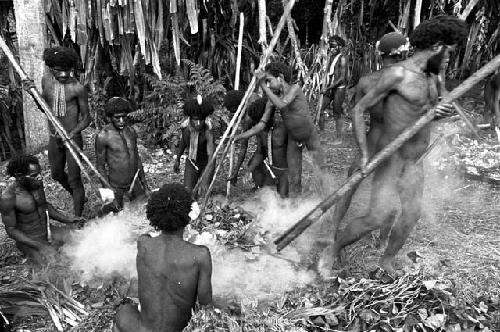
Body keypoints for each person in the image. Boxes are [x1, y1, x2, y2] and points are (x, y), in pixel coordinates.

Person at [323, 16, 467, 273]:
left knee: (411, 215)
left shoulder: (434, 76)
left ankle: (386, 259)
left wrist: (440, 109)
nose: (448, 60)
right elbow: (358, 109)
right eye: (448, 54)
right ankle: (332, 250)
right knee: (376, 218)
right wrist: (365, 154)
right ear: (436, 46)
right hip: (393, 158)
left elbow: (435, 104)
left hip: (415, 161)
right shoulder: (397, 75)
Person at [321, 32, 409, 246]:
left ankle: (332, 231)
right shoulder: (409, 80)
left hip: (372, 140)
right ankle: (382, 239)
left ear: (380, 55)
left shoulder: (367, 81)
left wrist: (363, 152)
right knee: (388, 188)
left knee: (351, 184)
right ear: (403, 54)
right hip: (396, 143)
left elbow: (356, 114)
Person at [113, 183, 213, 332]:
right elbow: (205, 302)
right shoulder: (200, 255)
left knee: (124, 311)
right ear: (187, 217)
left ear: (155, 215)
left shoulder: (143, 243)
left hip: (144, 329)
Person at [0, 154, 85, 266]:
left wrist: (68, 219)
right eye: (34, 175)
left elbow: (44, 206)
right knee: (53, 267)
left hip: (49, 231)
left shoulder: (36, 184)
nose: (40, 177)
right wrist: (40, 246)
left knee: (82, 241)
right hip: (31, 241)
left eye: (39, 173)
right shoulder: (8, 197)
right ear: (19, 176)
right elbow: (11, 229)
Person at [255, 62, 324, 195]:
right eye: (267, 82)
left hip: (310, 134)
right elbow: (266, 116)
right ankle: (295, 208)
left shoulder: (295, 88)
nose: (268, 85)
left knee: (321, 169)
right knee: (294, 176)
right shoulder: (276, 96)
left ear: (280, 77)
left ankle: (327, 199)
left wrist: (263, 84)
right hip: (294, 137)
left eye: (269, 81)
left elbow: (281, 105)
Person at [42, 47, 91, 217]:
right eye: (58, 71)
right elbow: (44, 109)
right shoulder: (46, 82)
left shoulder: (77, 88)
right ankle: (78, 196)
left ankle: (77, 218)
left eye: (67, 71)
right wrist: (31, 93)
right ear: (50, 69)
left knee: (74, 179)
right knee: (56, 174)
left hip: (72, 138)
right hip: (54, 138)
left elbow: (86, 118)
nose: (63, 75)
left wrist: (71, 134)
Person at [95, 97, 150, 214]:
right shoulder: (103, 136)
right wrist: (109, 191)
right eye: (117, 117)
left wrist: (145, 185)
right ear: (109, 117)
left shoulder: (131, 132)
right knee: (113, 217)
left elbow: (137, 159)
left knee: (142, 214)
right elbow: (100, 167)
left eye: (124, 117)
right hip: (116, 186)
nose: (121, 121)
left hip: (134, 183)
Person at [235, 98, 289, 197]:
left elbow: (296, 155)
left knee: (284, 203)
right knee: (266, 200)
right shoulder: (261, 131)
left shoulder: (285, 128)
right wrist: (249, 170)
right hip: (272, 171)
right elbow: (260, 152)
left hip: (286, 173)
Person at [173, 96, 215, 195]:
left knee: (203, 193)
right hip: (191, 162)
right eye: (195, 120)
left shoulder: (208, 131)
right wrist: (178, 159)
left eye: (201, 120)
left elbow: (211, 157)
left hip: (206, 164)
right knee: (188, 193)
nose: (198, 123)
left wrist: (205, 178)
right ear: (190, 118)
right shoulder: (185, 128)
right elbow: (183, 141)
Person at [318, 36, 348, 144]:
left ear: (340, 47)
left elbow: (342, 78)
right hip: (331, 88)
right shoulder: (332, 58)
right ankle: (323, 135)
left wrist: (328, 88)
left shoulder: (342, 58)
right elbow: (330, 74)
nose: (331, 49)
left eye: (334, 46)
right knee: (320, 110)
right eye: (330, 46)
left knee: (336, 113)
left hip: (338, 89)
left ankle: (339, 138)